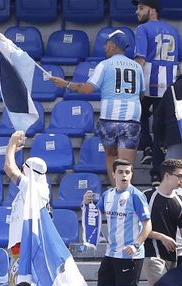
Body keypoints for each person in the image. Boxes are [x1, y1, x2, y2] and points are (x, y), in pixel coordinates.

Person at [51, 29, 146, 182]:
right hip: (131, 119)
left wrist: (66, 83)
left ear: (113, 46)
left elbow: (87, 89)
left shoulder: (105, 65)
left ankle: (115, 190)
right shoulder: (136, 67)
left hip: (109, 118)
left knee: (110, 155)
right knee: (126, 164)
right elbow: (141, 93)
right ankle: (124, 193)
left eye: (107, 44)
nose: (104, 47)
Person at [88, 158, 151, 286]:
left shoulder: (136, 196)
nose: (124, 175)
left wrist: (137, 243)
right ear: (113, 174)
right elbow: (93, 214)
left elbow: (148, 225)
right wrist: (87, 203)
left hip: (130, 256)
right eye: (121, 172)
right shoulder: (107, 195)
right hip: (110, 253)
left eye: (128, 172)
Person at [132, 0, 182, 180]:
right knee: (160, 129)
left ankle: (146, 147)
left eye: (140, 8)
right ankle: (157, 175)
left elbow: (140, 59)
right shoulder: (173, 30)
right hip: (169, 86)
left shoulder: (142, 29)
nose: (137, 12)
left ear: (152, 10)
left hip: (148, 84)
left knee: (138, 116)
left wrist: (136, 86)